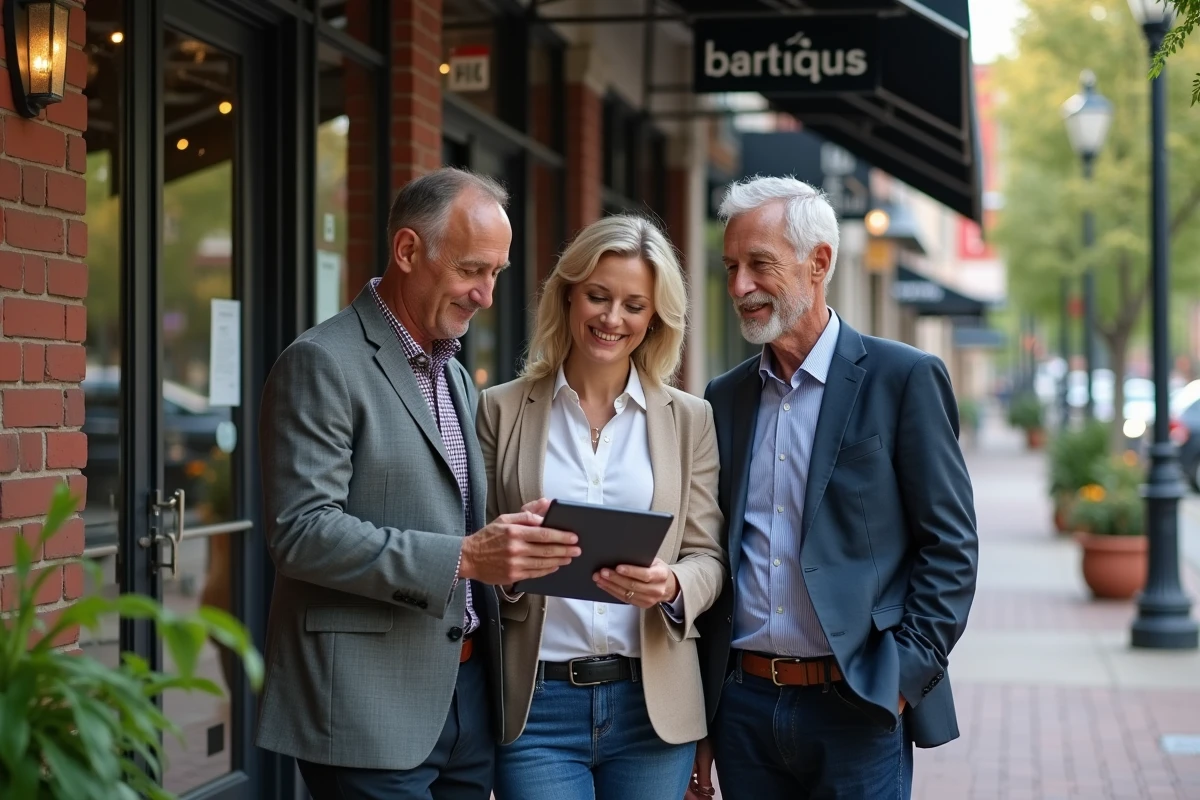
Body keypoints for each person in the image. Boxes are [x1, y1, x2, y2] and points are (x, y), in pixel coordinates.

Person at [255, 167, 581, 800]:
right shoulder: (321, 363)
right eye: (471, 270)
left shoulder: (454, 374)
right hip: (364, 706)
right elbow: (301, 532)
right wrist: (463, 557)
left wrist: (508, 557)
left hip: (465, 702)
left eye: (496, 273)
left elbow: (454, 524)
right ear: (407, 251)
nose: (486, 294)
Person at [689, 176, 979, 800]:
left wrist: (901, 677)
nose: (739, 286)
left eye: (759, 265)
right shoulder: (724, 397)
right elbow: (714, 550)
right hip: (743, 709)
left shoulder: (903, 378)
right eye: (731, 267)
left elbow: (951, 547)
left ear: (818, 262)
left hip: (858, 706)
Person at [476, 214, 727, 800]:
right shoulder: (499, 409)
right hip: (537, 707)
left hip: (651, 709)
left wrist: (671, 584)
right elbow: (474, 554)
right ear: (567, 296)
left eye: (634, 305)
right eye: (598, 296)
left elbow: (708, 558)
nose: (613, 319)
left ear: (655, 317)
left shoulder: (690, 420)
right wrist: (510, 572)